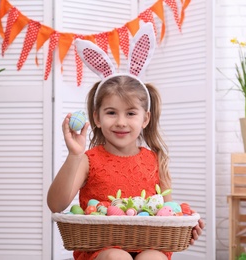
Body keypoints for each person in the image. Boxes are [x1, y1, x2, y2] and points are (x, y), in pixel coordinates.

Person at [47, 22, 204, 260]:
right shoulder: (88, 160)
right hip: (100, 248)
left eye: (130, 113)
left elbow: (168, 213)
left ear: (145, 119)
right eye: (111, 113)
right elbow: (56, 205)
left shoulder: (155, 159)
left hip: (149, 244)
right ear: (96, 118)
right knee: (116, 257)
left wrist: (187, 225)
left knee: (154, 258)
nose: (121, 122)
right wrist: (74, 154)